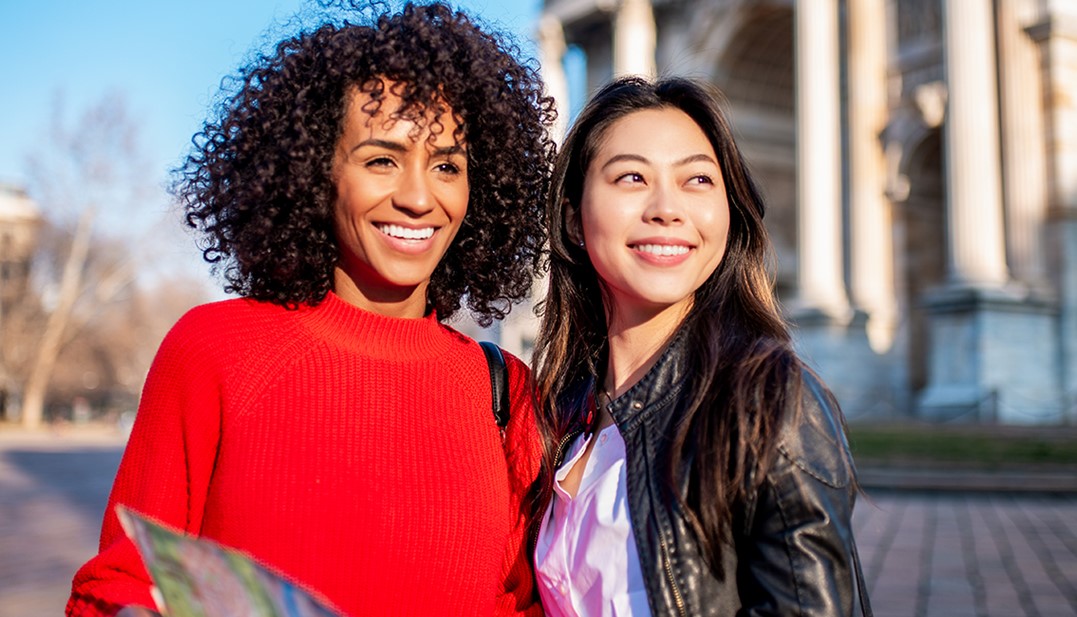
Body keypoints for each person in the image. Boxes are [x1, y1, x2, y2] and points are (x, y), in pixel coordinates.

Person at [67, 3, 555, 616]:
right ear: (313, 172)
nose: (417, 196)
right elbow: (119, 584)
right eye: (381, 160)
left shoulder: (509, 395)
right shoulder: (216, 350)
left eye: (447, 166)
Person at [529, 76, 871, 616]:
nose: (667, 208)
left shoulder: (769, 399)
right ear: (574, 216)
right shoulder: (561, 415)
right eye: (632, 177)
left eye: (697, 180)